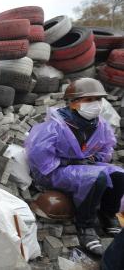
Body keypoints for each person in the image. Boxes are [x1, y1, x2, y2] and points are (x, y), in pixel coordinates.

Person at [25, 78, 124, 256]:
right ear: (73, 103)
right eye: (88, 100)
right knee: (97, 177)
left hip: (85, 166)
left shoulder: (99, 125)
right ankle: (85, 226)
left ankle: (108, 215)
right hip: (55, 172)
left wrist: (94, 158)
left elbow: (107, 147)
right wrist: (69, 161)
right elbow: (39, 155)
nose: (96, 104)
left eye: (98, 99)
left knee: (119, 174)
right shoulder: (55, 126)